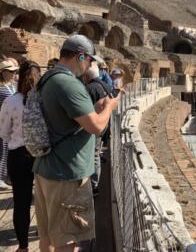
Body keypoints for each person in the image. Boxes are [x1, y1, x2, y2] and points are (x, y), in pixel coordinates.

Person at [32, 35, 119, 252]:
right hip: (67, 175)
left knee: (48, 236)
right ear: (80, 56)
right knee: (67, 240)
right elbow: (97, 127)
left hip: (46, 168)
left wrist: (95, 110)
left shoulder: (48, 78)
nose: (90, 65)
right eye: (89, 60)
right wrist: (109, 106)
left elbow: (68, 120)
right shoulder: (68, 83)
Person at [0, 60, 41, 252]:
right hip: (42, 155)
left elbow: (3, 133)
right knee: (44, 198)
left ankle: (23, 246)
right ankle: (44, 235)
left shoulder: (11, 101)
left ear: (18, 76)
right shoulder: (43, 100)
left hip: (19, 155)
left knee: (21, 202)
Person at [82, 63, 113, 195]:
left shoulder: (89, 88)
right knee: (95, 154)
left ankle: (93, 186)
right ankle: (94, 183)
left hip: (94, 126)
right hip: (103, 124)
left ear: (86, 76)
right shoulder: (104, 85)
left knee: (93, 155)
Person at [0, 59, 19, 190]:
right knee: (2, 151)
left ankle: (5, 176)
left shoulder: (13, 86)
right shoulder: (1, 88)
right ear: (3, 72)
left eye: (14, 71)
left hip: (13, 124)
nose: (13, 74)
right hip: (2, 123)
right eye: (10, 71)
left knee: (7, 150)